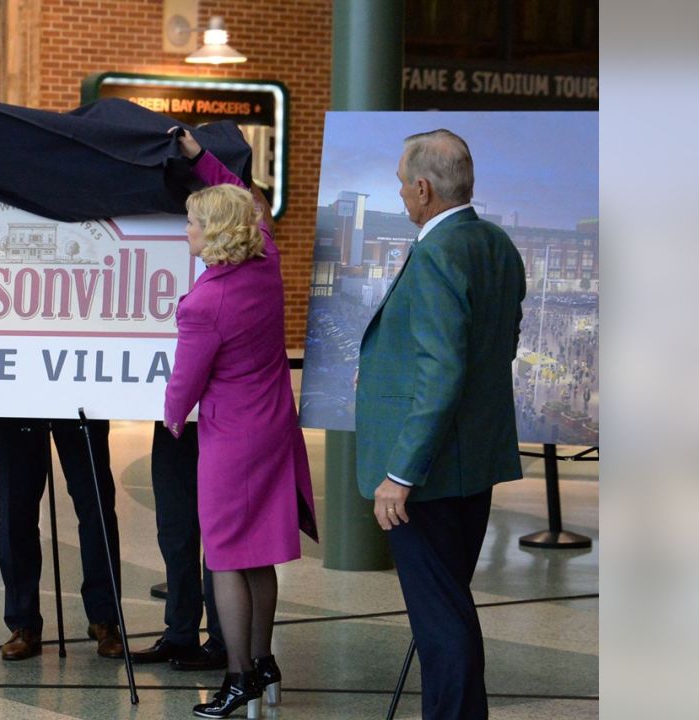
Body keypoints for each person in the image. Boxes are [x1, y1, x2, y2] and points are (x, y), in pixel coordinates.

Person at [355, 129, 526, 719]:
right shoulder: (496, 243)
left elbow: (442, 370)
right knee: (450, 607)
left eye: (403, 184)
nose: (401, 195)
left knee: (439, 618)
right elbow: (502, 345)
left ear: (423, 189)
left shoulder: (435, 253)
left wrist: (400, 472)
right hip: (471, 460)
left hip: (425, 472)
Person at [163, 129, 318, 719]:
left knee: (226, 556)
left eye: (192, 224)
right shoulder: (266, 263)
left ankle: (237, 676)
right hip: (274, 426)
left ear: (213, 235)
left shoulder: (204, 304)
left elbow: (186, 383)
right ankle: (262, 663)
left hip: (231, 439)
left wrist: (174, 420)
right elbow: (246, 198)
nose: (186, 232)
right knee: (259, 554)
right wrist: (202, 159)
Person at [0, 417, 124, 661]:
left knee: (96, 504)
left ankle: (105, 618)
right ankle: (23, 623)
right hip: (16, 393)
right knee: (16, 507)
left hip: (80, 388)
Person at [128, 421, 227, 672]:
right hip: (171, 421)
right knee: (174, 529)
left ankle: (223, 640)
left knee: (219, 533)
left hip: (220, 414)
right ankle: (180, 632)